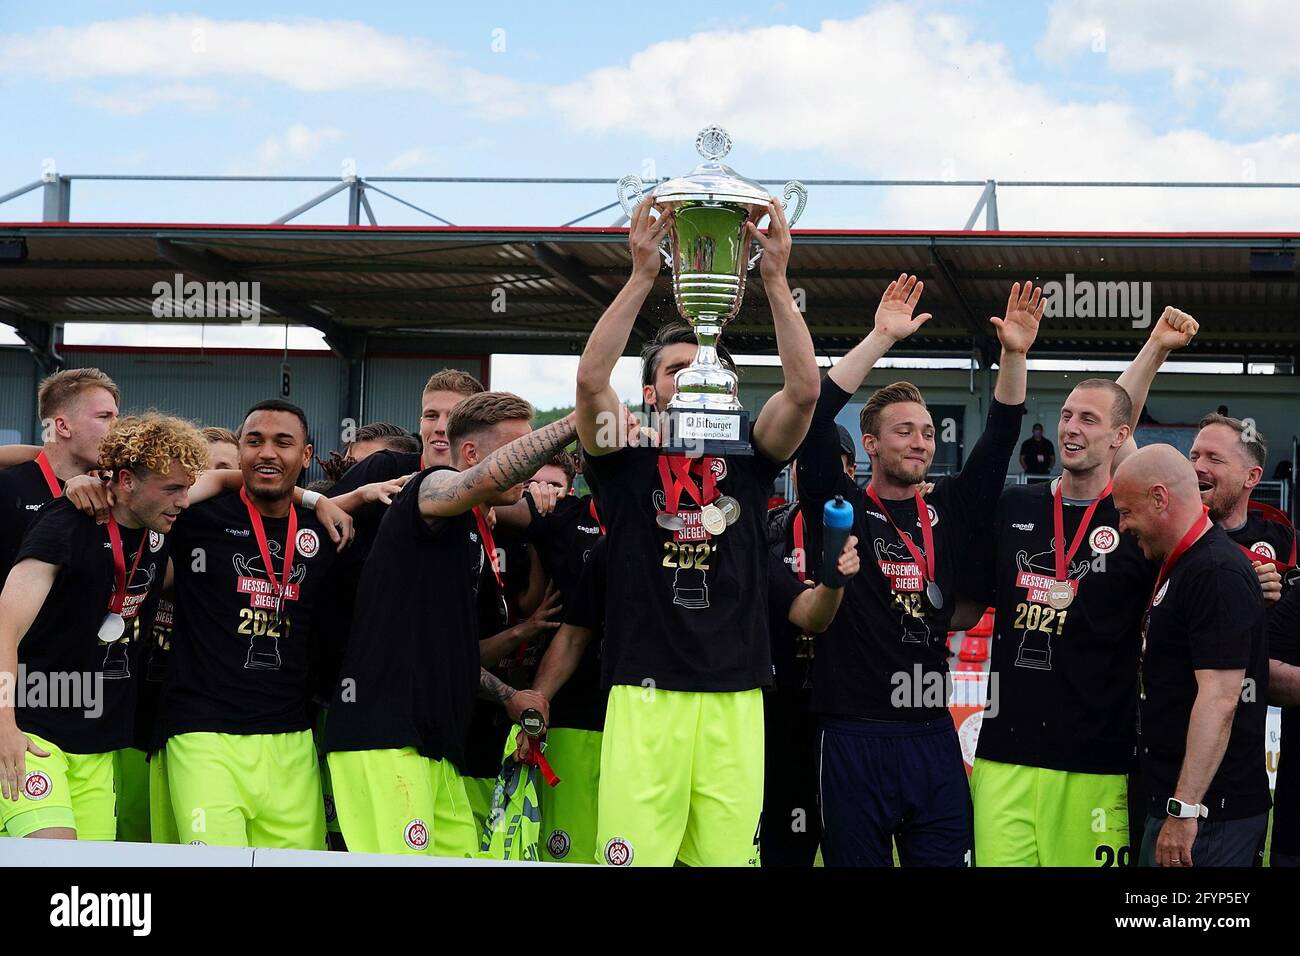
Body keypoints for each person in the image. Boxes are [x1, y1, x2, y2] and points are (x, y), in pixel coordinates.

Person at [574, 193, 819, 866]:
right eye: (675, 370)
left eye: (704, 368)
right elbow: (592, 380)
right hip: (645, 689)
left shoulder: (747, 455)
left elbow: (803, 393)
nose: (692, 376)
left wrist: (773, 280)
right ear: (650, 392)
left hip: (736, 691)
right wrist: (642, 276)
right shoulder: (625, 458)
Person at [797, 274, 1041, 867]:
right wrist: (880, 337)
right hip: (853, 733)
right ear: (870, 444)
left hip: (930, 734)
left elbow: (1002, 433)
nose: (920, 443)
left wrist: (1014, 355)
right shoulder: (843, 505)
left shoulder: (950, 507)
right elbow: (814, 419)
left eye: (928, 433)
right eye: (904, 431)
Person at [964, 308, 1199, 867]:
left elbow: (1123, 411)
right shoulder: (1015, 506)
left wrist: (1155, 350)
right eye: (1067, 415)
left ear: (1120, 437)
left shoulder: (1131, 523)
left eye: (1088, 420)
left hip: (1095, 758)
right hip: (1004, 757)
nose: (1071, 428)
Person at [323, 393, 568, 857]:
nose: (529, 462)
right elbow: (477, 481)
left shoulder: (473, 529)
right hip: (384, 739)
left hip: (436, 746)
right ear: (471, 456)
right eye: (520, 447)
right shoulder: (432, 489)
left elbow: (450, 654)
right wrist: (580, 420)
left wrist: (509, 695)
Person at [155, 400, 359, 849]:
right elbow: (163, 491)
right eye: (254, 441)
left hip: (290, 740)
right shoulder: (198, 518)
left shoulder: (323, 532)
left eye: (283, 442)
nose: (267, 452)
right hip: (204, 735)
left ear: (306, 455)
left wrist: (318, 500)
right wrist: (313, 494)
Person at [0, 413, 206, 840]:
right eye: (173, 489)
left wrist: (323, 500)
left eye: (186, 488)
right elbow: (4, 625)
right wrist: (4, 727)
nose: (184, 501)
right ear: (126, 481)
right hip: (33, 733)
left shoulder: (157, 525)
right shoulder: (67, 523)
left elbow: (229, 480)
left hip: (97, 744)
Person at [1113, 445, 1269, 867]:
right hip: (1185, 806)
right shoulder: (1186, 563)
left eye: (1126, 512)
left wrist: (1184, 810)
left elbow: (1219, 700)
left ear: (1160, 498)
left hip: (1209, 815)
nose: (1123, 526)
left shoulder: (1214, 571)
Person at [0, 368, 120, 574]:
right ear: (63, 427)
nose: (118, 427)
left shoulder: (116, 492)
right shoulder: (8, 488)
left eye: (117, 416)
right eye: (105, 416)